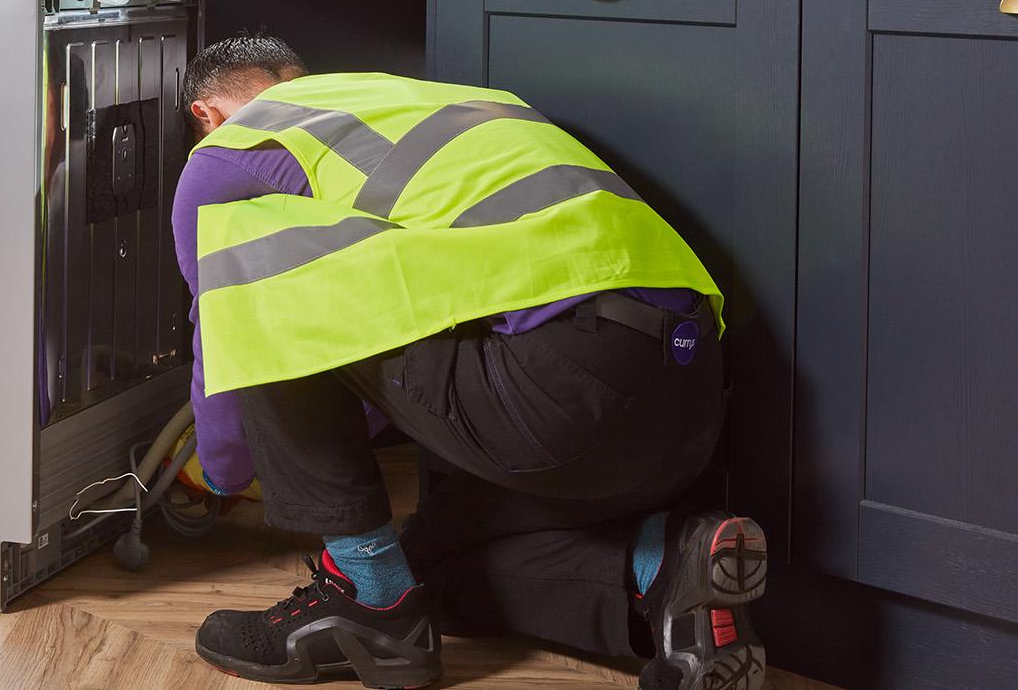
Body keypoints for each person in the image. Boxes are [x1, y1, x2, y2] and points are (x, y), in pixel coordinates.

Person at [170, 36, 768, 690]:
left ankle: (368, 608)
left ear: (208, 114)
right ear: (299, 76)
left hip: (565, 393)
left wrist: (220, 475)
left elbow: (228, 329)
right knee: (431, 569)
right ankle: (666, 568)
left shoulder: (229, 149)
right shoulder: (415, 102)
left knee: (263, 285)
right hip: (689, 405)